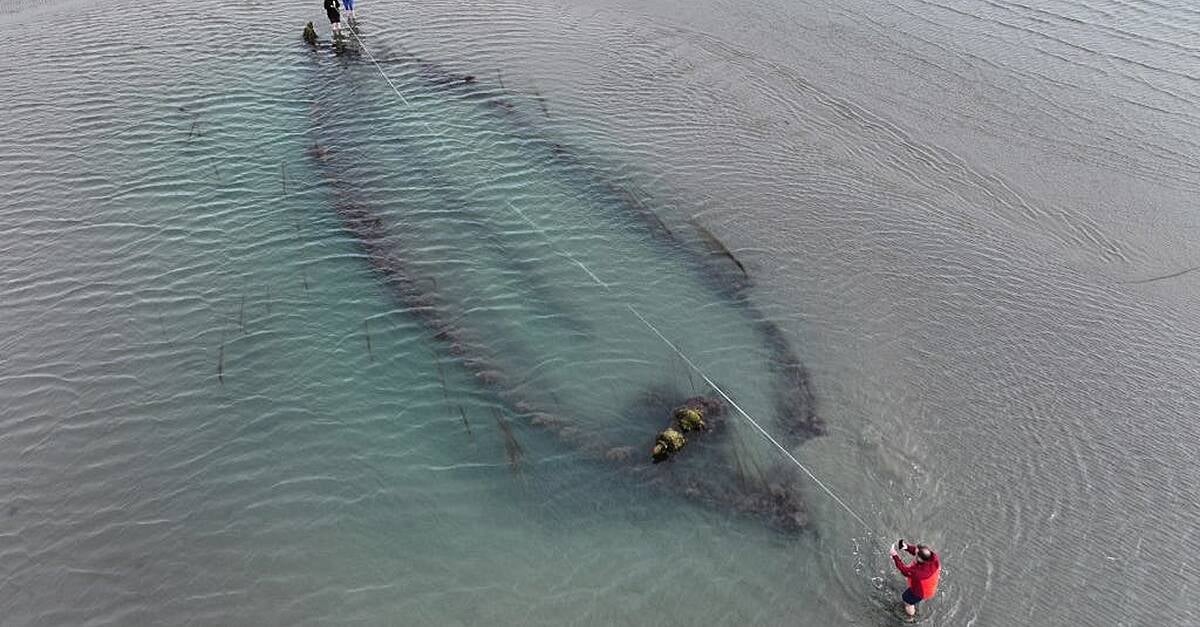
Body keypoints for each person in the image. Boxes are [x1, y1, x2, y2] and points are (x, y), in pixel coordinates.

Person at [890, 539, 940, 617]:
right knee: (910, 595)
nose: (915, 553)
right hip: (929, 585)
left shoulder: (918, 573)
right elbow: (919, 552)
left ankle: (911, 616)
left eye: (916, 554)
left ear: (920, 559)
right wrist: (906, 547)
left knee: (907, 600)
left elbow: (903, 570)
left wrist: (894, 555)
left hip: (921, 592)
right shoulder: (933, 558)